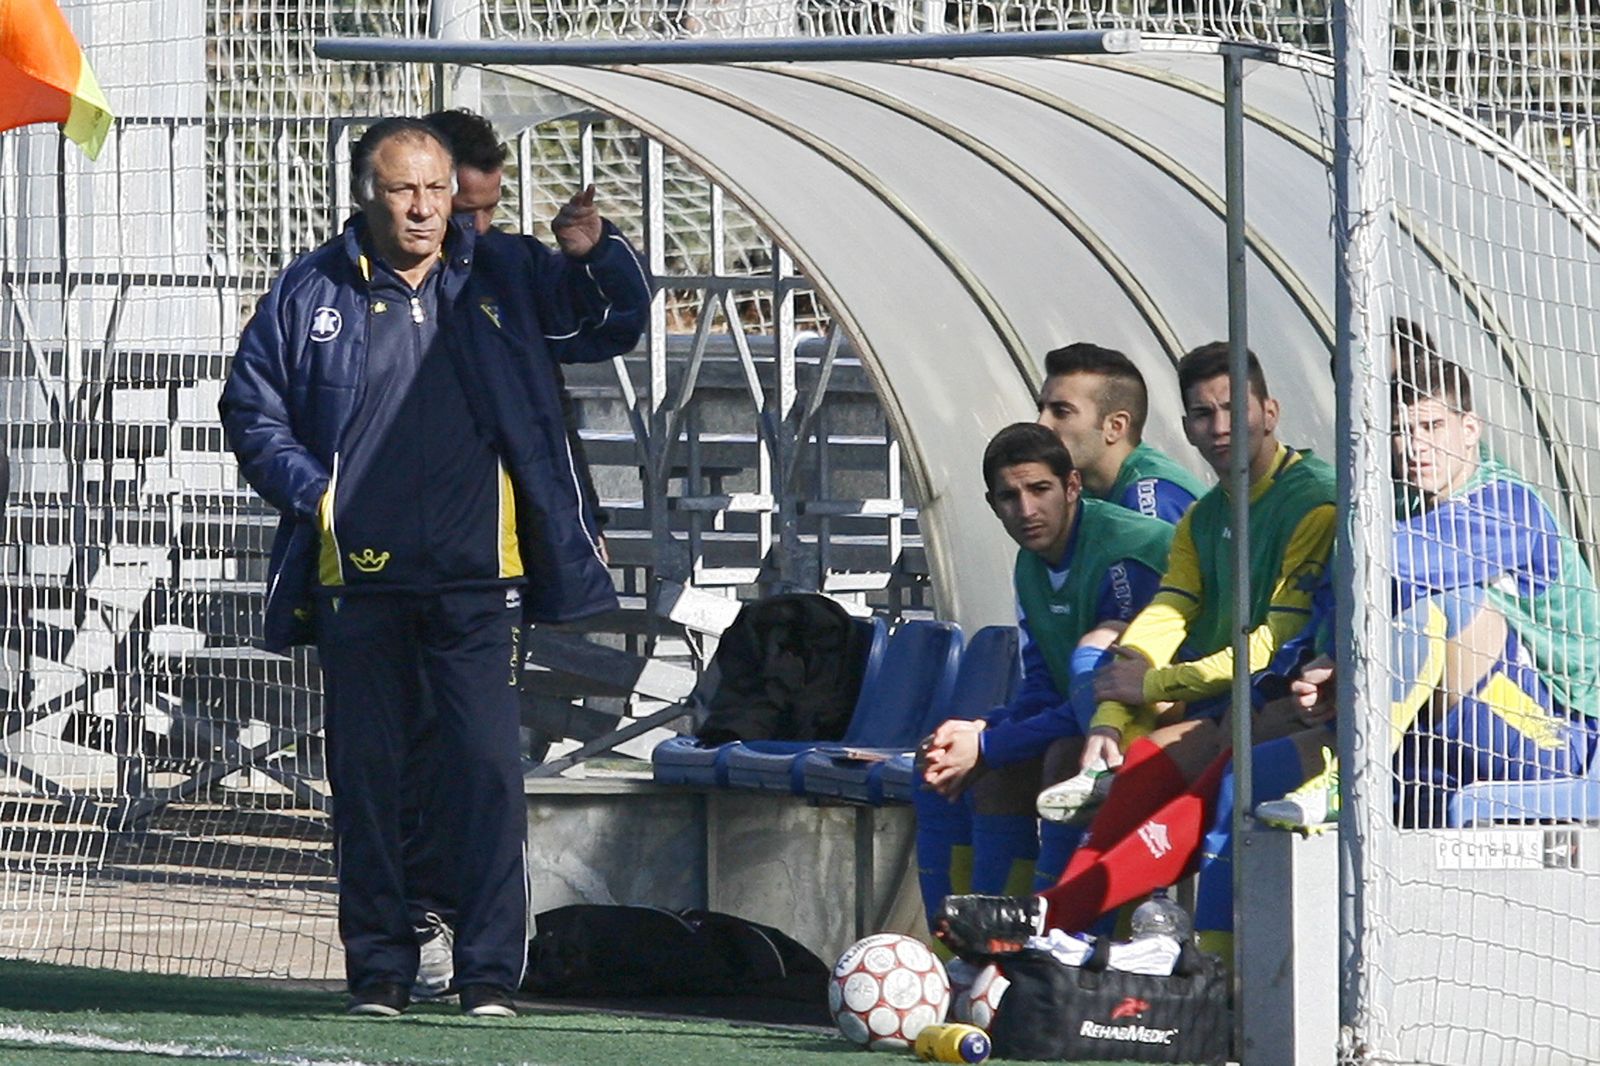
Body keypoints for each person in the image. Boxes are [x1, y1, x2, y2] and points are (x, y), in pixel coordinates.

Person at [218, 116, 649, 1018]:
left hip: (479, 581)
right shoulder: (309, 287)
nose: (423, 208)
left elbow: (611, 325)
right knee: (370, 782)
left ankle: (489, 974)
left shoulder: (508, 271)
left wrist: (596, 256)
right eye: (402, 189)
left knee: (486, 774)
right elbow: (252, 411)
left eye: (435, 188)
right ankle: (381, 970)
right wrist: (322, 497)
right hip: (357, 582)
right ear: (365, 197)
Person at [932, 341, 1337, 956]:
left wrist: (1146, 687)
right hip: (1234, 696)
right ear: (1186, 426)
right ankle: (1042, 940)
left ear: (1270, 412)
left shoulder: (1312, 500)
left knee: (1229, 776)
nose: (1219, 427)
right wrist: (1111, 715)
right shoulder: (1206, 516)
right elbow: (1168, 611)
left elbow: (1274, 642)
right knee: (1137, 764)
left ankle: (1190, 968)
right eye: (1202, 414)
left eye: (1233, 409)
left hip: (1298, 696)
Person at [1259, 319, 1599, 828]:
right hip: (1429, 736)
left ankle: (1352, 780)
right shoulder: (1400, 507)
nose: (1415, 445)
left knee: (1448, 603)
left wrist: (1338, 658)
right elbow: (1343, 597)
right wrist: (1321, 669)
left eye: (1432, 427)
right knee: (1246, 777)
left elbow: (1381, 565)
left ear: (1470, 430)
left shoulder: (1506, 505)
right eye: (1401, 431)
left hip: (1554, 739)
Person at [913, 423, 1172, 949]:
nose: (1026, 509)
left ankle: (1065, 950)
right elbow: (1042, 690)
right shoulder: (1030, 564)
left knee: (1062, 762)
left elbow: (1102, 696)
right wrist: (982, 734)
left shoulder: (1124, 555)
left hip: (1165, 716)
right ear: (993, 504)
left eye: (1039, 489)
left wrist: (989, 744)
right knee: (938, 765)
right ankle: (967, 951)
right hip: (1092, 719)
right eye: (1009, 497)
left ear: (1072, 486)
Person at [1035, 342, 1204, 525]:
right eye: (1041, 409)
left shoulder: (1150, 498)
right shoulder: (1088, 493)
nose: (1042, 424)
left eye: (1061, 412)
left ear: (1115, 427)